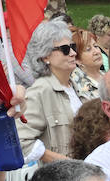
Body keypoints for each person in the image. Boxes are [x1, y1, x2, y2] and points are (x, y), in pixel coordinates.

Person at [19, 19, 81, 164]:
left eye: (73, 47)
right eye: (65, 49)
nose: (72, 53)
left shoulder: (75, 85)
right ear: (45, 56)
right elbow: (21, 139)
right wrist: (66, 164)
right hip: (62, 179)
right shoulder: (39, 91)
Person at [71, 28, 104, 101]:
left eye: (95, 46)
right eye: (88, 49)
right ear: (77, 60)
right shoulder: (76, 85)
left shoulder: (108, 76)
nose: (96, 52)